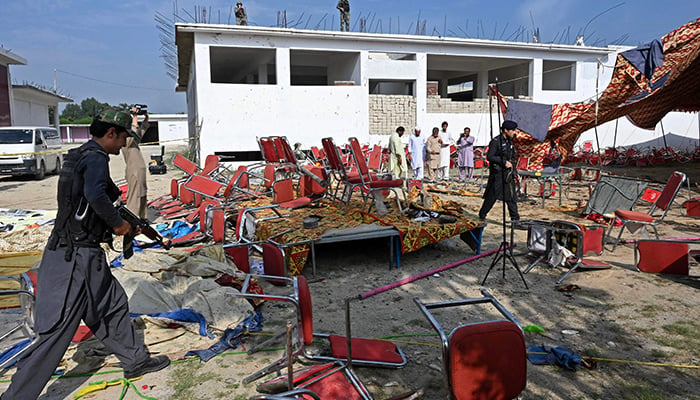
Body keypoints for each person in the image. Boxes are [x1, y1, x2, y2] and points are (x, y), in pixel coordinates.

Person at [1, 109, 170, 400]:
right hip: (73, 258)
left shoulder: (79, 155)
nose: (122, 145)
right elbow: (95, 195)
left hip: (82, 253)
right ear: (111, 133)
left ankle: (135, 360)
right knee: (57, 329)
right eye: (121, 138)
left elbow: (92, 196)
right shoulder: (95, 158)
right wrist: (118, 224)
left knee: (110, 304)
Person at [478, 120, 520, 221]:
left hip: (507, 174)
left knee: (511, 197)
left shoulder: (510, 142)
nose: (514, 132)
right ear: (506, 130)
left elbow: (512, 159)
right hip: (497, 175)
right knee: (492, 197)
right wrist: (503, 162)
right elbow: (490, 156)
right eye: (512, 130)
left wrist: (515, 173)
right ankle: (482, 214)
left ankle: (515, 220)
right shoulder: (496, 142)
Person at [122, 106, 149, 219]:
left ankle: (143, 218)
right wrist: (134, 116)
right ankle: (132, 219)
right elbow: (133, 130)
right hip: (134, 171)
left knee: (142, 194)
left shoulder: (133, 141)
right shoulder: (125, 141)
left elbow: (139, 133)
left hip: (140, 171)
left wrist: (146, 119)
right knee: (135, 196)